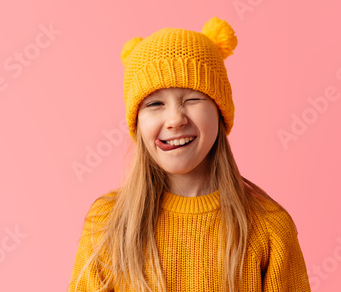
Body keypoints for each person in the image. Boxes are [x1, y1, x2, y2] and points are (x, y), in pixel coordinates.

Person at [68, 17, 311, 292]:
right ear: (137, 123)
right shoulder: (107, 224)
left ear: (219, 112)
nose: (175, 119)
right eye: (155, 103)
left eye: (193, 99)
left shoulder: (270, 228)